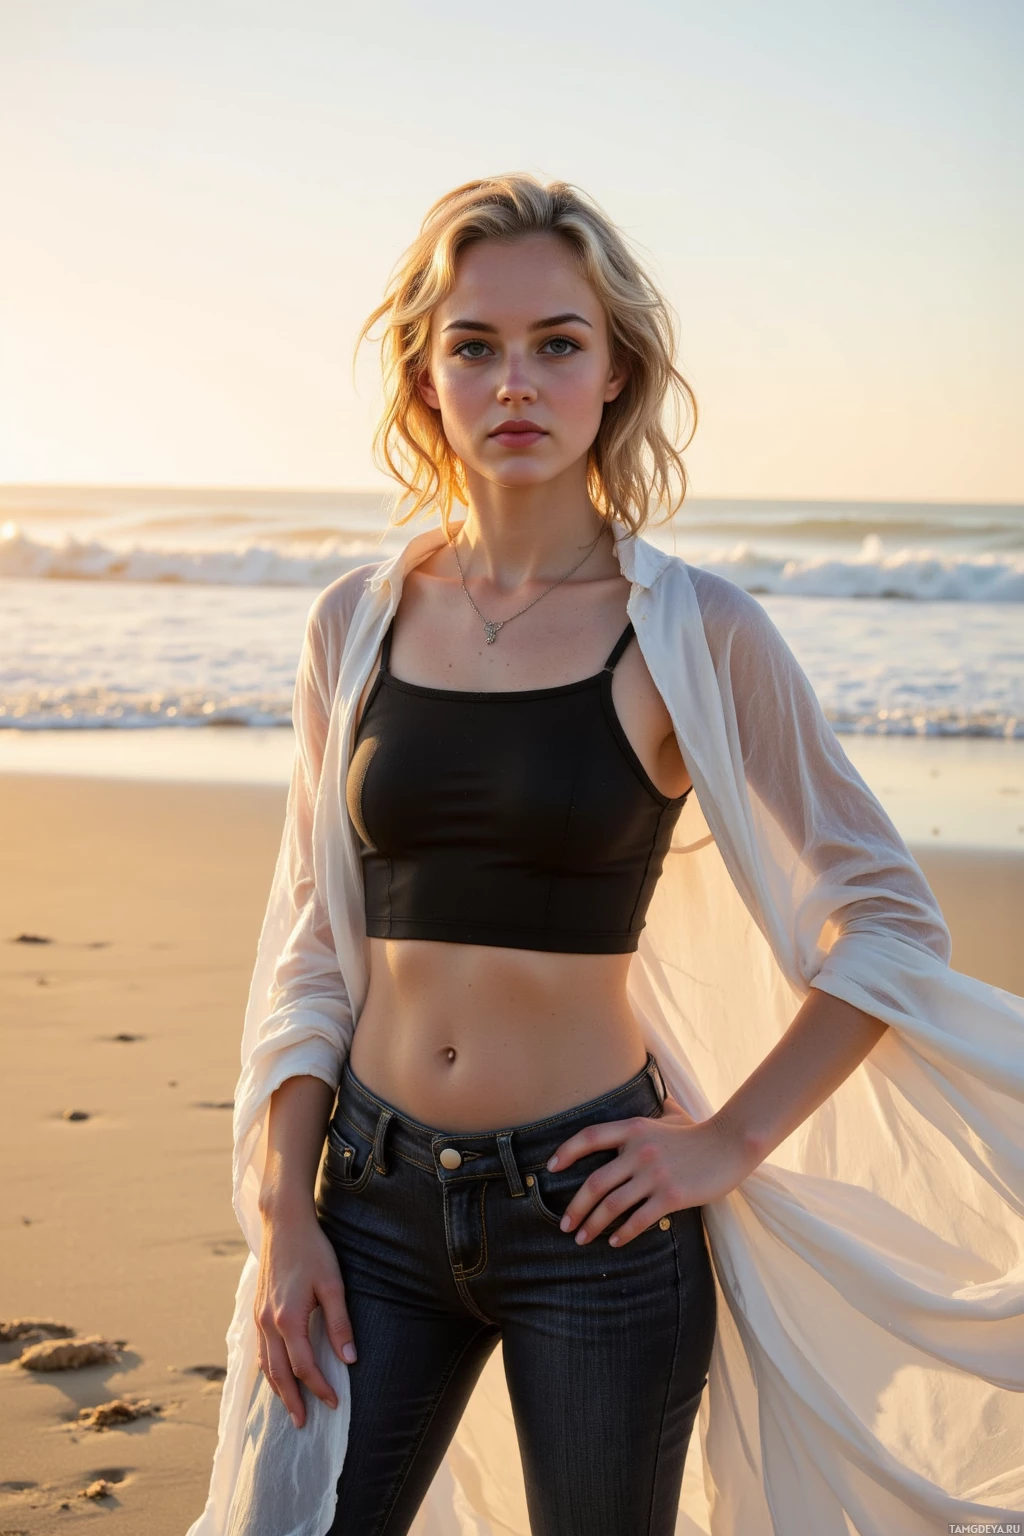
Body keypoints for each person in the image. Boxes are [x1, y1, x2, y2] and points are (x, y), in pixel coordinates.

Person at [188, 176, 1024, 1536]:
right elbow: (310, 951)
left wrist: (728, 1142)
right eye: (476, 344)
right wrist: (285, 1213)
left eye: (558, 343)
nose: (516, 380)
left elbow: (886, 919)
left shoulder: (694, 633)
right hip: (372, 1208)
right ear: (426, 374)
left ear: (615, 371)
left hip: (595, 1217)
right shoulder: (355, 624)